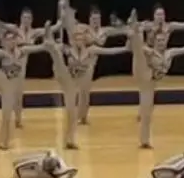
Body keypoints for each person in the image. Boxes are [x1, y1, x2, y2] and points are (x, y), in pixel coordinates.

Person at [42, 20, 129, 149]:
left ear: (84, 38)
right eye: (76, 36)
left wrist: (126, 48)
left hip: (73, 84)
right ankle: (48, 33)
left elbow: (110, 51)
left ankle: (70, 140)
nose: (78, 38)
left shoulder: (91, 50)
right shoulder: (67, 49)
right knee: (56, 53)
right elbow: (54, 46)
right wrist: (49, 35)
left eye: (81, 35)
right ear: (72, 38)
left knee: (72, 112)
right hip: (65, 76)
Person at [127, 9, 184, 148]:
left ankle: (144, 137)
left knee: (148, 107)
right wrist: (134, 31)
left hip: (153, 77)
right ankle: (144, 135)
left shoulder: (170, 51)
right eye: (157, 14)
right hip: (143, 72)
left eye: (162, 40)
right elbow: (133, 48)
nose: (160, 42)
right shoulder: (149, 47)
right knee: (140, 52)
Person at [0, 5, 63, 128]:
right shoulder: (15, 29)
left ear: (31, 20)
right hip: (10, 63)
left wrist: (60, 19)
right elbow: (1, 24)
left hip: (21, 67)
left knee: (19, 95)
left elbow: (55, 28)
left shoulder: (35, 32)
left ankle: (17, 119)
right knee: (8, 94)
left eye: (28, 18)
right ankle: (6, 117)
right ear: (21, 18)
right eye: (24, 17)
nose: (26, 20)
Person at [12, 150, 78, 178]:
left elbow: (74, 170)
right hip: (39, 167)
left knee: (15, 176)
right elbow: (17, 166)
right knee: (15, 163)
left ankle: (41, 175)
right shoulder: (38, 161)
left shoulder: (58, 171)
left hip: (45, 176)